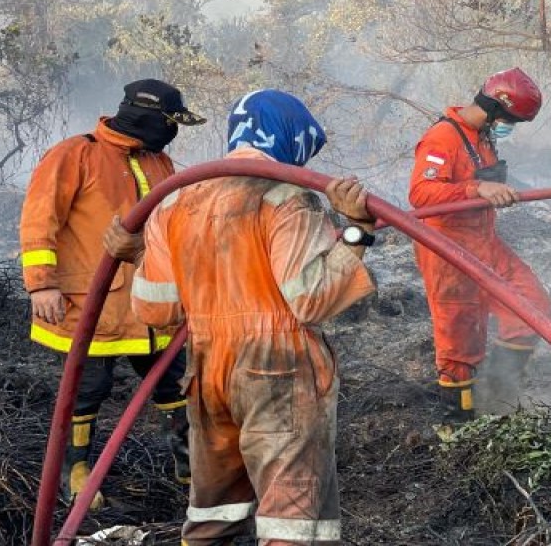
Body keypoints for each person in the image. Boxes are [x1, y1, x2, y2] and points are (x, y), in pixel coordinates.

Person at [131, 89, 376, 546]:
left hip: (207, 371)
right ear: (291, 139)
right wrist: (357, 232)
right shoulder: (286, 198)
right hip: (278, 370)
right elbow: (313, 299)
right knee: (293, 523)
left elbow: (155, 309)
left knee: (213, 517)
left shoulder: (174, 202)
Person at [19, 79, 205, 509]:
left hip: (150, 304)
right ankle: (76, 471)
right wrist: (41, 284)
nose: (172, 131)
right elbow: (38, 220)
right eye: (170, 122)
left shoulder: (160, 162)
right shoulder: (74, 154)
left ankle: (191, 464)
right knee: (87, 388)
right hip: (92, 304)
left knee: (175, 380)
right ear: (147, 115)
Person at [408, 67, 551, 421]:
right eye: (510, 120)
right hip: (446, 249)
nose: (511, 127)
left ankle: (498, 395)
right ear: (494, 108)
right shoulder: (442, 138)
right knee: (460, 339)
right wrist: (477, 189)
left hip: (484, 242)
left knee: (533, 307)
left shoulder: (484, 137)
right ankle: (457, 426)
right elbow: (420, 194)